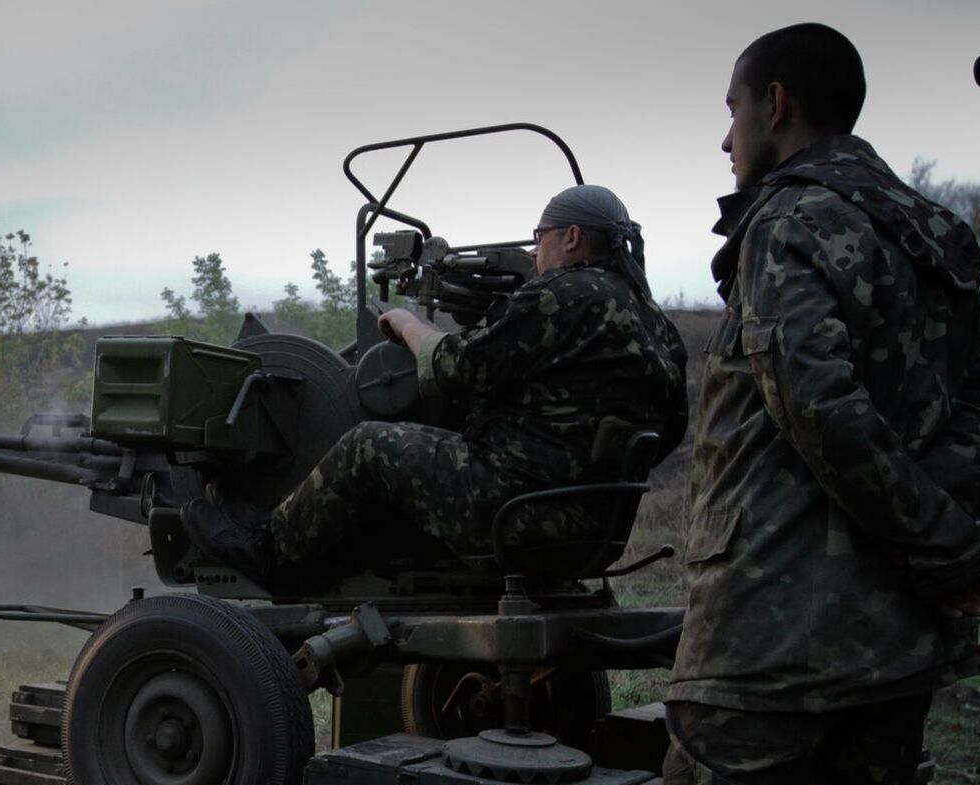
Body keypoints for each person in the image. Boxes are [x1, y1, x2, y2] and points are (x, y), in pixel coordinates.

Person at [656, 23, 980, 785]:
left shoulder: (788, 219)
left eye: (733, 111)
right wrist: (942, 532)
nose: (726, 137)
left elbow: (816, 404)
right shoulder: (934, 231)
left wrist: (940, 547)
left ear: (775, 104)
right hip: (894, 631)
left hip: (770, 622)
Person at [180, 184, 689, 587]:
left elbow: (456, 366)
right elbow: (667, 431)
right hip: (594, 527)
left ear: (572, 237)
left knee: (369, 445)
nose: (536, 252)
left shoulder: (564, 295)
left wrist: (406, 324)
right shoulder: (653, 321)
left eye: (540, 237)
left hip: (517, 511)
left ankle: (269, 552)